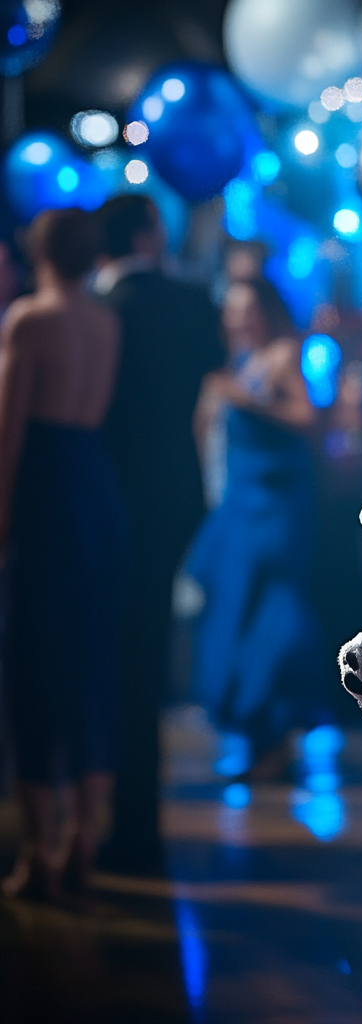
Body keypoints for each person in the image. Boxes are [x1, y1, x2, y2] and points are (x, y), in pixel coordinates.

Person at [0, 209, 128, 898]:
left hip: (46, 497)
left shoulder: (29, 320)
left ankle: (35, 856)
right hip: (95, 492)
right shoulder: (106, 322)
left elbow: (8, 436)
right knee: (89, 670)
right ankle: (83, 840)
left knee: (32, 678)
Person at [95, 195, 223, 873]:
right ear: (150, 233)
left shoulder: (102, 311)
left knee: (118, 663)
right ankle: (130, 819)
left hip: (110, 498)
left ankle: (126, 825)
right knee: (139, 658)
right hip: (177, 493)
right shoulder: (191, 301)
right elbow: (208, 380)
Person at [187, 278, 329, 780]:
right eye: (232, 310)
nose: (238, 319)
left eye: (246, 309)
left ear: (266, 310)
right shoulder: (235, 366)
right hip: (238, 503)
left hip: (277, 503)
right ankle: (257, 735)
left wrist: (250, 404)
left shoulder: (283, 355)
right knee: (235, 607)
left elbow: (310, 418)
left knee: (273, 609)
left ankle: (277, 734)